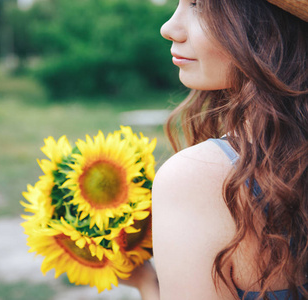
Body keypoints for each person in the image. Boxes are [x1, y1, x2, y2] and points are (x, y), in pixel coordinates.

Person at [122, 0, 308, 299]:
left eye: (200, 6)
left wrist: (146, 284)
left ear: (268, 27)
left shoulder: (197, 179)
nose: (169, 28)